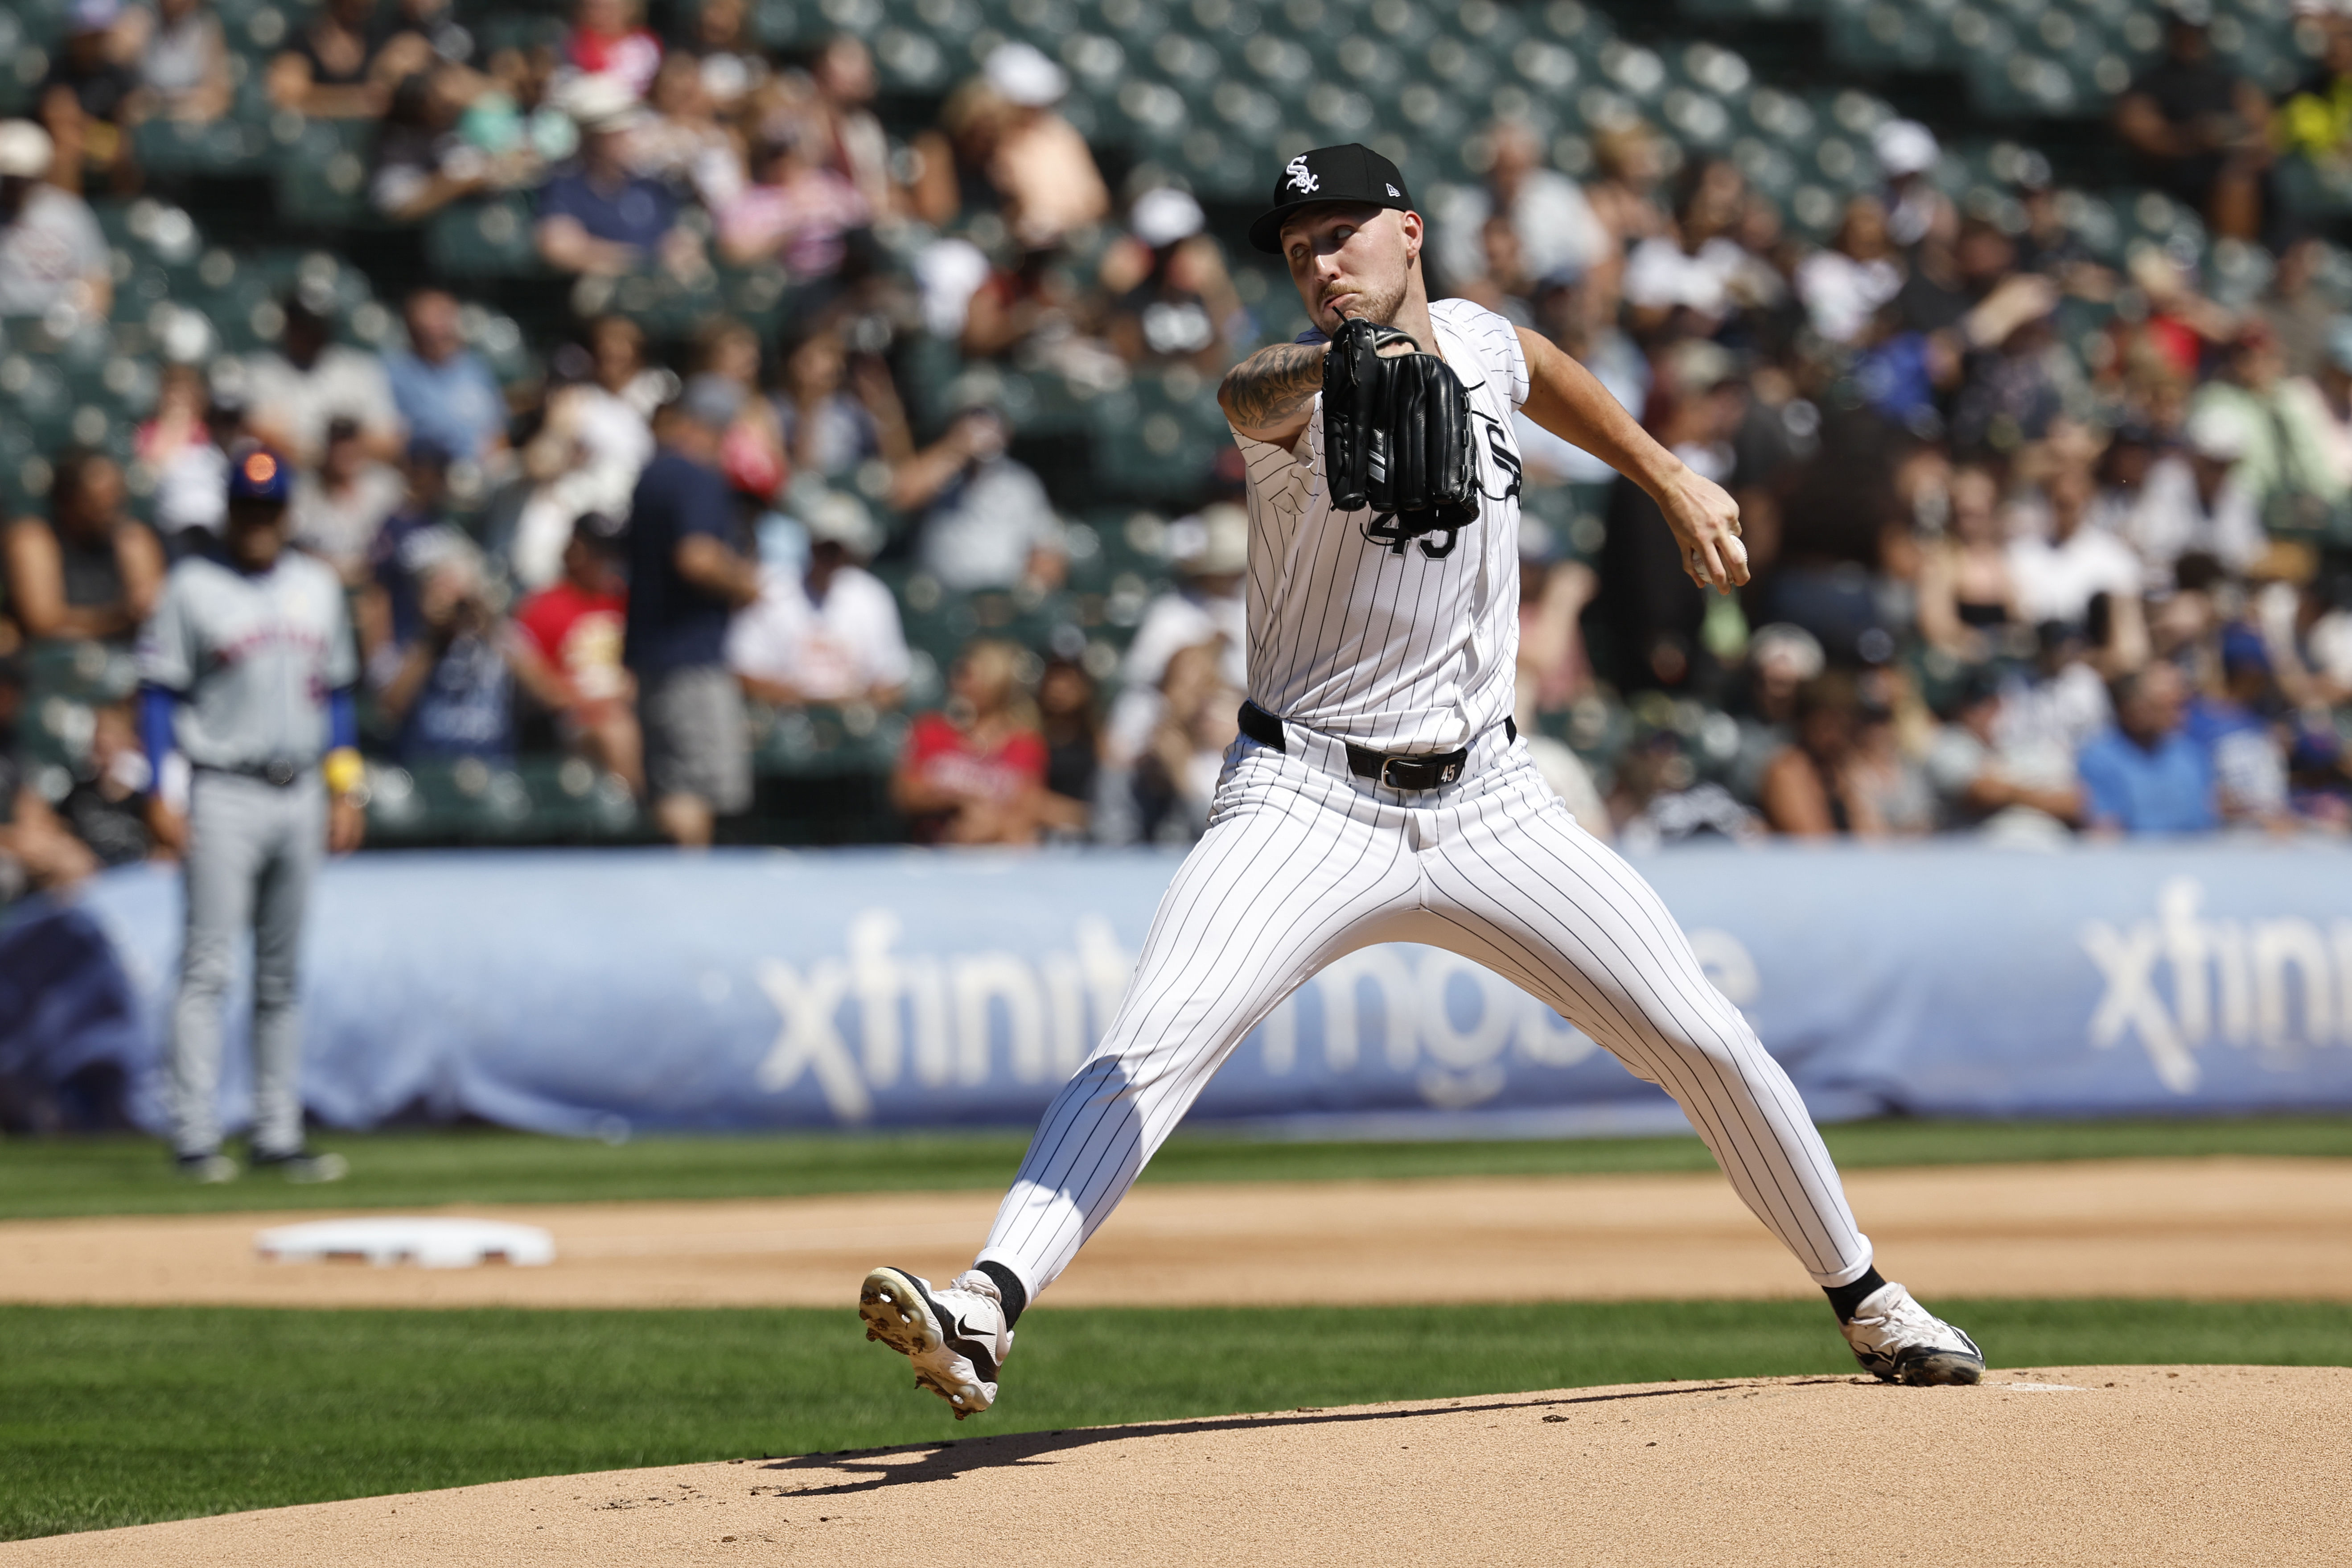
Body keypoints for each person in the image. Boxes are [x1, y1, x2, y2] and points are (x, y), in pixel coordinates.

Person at [856, 143, 1983, 1420]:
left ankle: (1872, 1300)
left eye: (1340, 235)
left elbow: (1542, 368)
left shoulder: (1480, 343)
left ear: (1409, 231)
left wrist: (1664, 473)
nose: (1319, 262)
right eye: (1296, 249)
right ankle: (984, 1304)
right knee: (1153, 1044)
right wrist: (1341, 365)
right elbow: (1243, 394)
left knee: (1700, 1033)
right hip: (1305, 799)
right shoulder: (1293, 391)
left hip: (1489, 801)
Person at [135, 444, 364, 1184]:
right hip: (221, 785)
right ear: (230, 511)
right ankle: (196, 1134)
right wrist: (161, 793)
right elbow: (159, 694)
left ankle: (276, 1132)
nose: (259, 521)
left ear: (287, 512)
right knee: (206, 967)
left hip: (299, 787)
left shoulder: (319, 586)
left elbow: (338, 695)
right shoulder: (193, 586)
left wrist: (345, 786)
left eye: (270, 508)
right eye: (248, 507)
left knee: (281, 974)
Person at [623, 375, 761, 847]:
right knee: (695, 791)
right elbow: (697, 558)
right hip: (690, 658)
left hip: (654, 654)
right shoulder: (695, 474)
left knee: (672, 785)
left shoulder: (653, 473)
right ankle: (691, 903)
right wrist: (745, 582)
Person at [725, 490, 909, 711]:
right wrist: (820, 702)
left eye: (838, 548)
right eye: (823, 545)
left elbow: (891, 684)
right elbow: (745, 676)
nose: (829, 555)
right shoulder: (771, 589)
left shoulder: (872, 596)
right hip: (786, 720)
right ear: (811, 542)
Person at [2114, 3, 2275, 242]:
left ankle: (2235, 260)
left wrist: (2235, 140)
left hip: (2228, 168)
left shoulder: (2230, 83)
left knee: (2239, 179)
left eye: (2197, 31)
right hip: (2173, 176)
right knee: (2235, 183)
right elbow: (2142, 133)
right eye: (2184, 30)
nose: (2191, 38)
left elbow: (2268, 137)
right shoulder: (2151, 83)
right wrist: (2193, 137)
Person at [511, 510, 642, 795]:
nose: (608, 562)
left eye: (612, 553)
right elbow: (538, 683)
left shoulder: (628, 602)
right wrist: (589, 705)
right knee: (616, 734)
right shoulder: (541, 607)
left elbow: (643, 668)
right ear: (576, 551)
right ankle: (634, 826)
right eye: (599, 553)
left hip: (628, 710)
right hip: (573, 723)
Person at [892, 386, 1066, 593]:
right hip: (941, 599)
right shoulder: (940, 469)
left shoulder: (1020, 483)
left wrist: (1030, 590)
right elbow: (900, 497)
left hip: (1000, 600)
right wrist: (956, 448)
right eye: (974, 420)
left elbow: (1047, 550)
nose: (982, 429)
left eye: (990, 420)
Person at [535, 76, 703, 279]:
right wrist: (639, 261)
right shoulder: (567, 185)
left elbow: (677, 240)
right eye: (617, 134)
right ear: (593, 140)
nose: (629, 139)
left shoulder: (649, 186)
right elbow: (560, 247)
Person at [890, 638, 1047, 845]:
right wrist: (964, 800)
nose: (960, 683)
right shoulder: (930, 730)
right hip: (935, 852)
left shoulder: (1025, 744)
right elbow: (906, 796)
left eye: (969, 675)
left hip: (1002, 849)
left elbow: (1029, 806)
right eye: (958, 673)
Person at [3, 449, 164, 650]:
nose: (111, 512)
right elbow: (43, 624)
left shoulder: (132, 539)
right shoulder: (34, 539)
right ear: (68, 502)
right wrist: (119, 616)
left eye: (116, 500)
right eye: (99, 503)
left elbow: (152, 609)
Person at [242, 294, 404, 468]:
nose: (309, 333)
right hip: (288, 478)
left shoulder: (359, 370)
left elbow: (389, 443)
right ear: (289, 324)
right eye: (302, 325)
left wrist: (329, 454)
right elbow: (257, 433)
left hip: (357, 481)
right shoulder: (262, 372)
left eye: (316, 326)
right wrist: (337, 450)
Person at [2076, 660, 2217, 834]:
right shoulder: (2099, 758)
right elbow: (2105, 829)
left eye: (2180, 701)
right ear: (2131, 708)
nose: (2179, 709)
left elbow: (2207, 819)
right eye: (2167, 701)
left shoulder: (2192, 755)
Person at [383, 288, 510, 470]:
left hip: (483, 474)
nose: (437, 330)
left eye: (443, 318)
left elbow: (498, 431)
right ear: (413, 328)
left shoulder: (476, 367)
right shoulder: (396, 372)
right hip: (429, 476)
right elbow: (393, 440)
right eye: (429, 326)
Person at [0, 120, 111, 323]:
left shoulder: (69, 212)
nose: (16, 185)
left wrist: (82, 320)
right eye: (10, 177)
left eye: (23, 177)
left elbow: (97, 278)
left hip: (58, 326)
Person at [288, 416, 403, 584]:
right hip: (320, 581)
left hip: (376, 582)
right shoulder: (304, 490)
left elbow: (403, 533)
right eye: (338, 444)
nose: (344, 451)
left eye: (350, 442)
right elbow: (294, 546)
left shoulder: (385, 486)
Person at [125, 0, 234, 126]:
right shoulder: (143, 20)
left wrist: (172, 105)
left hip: (191, 122)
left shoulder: (208, 26)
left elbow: (220, 96)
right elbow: (131, 100)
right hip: (149, 116)